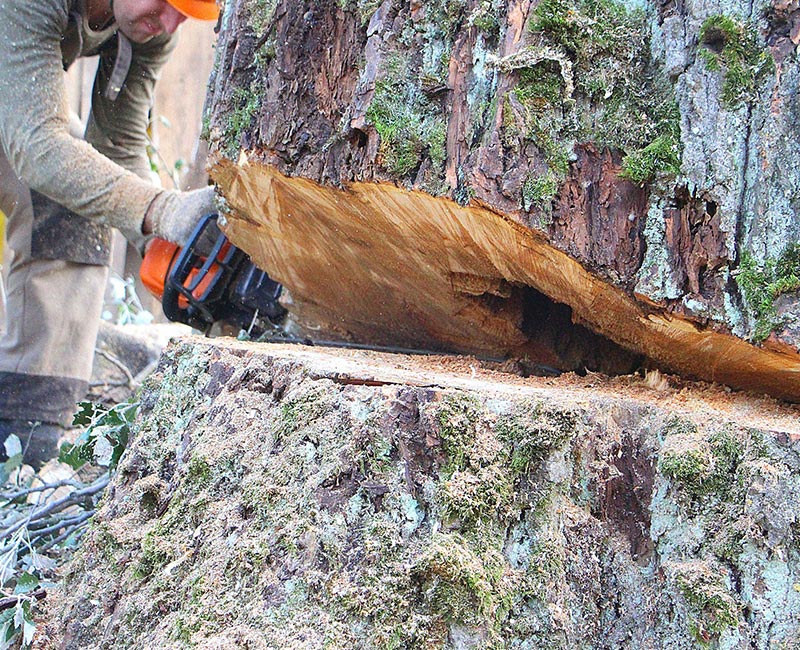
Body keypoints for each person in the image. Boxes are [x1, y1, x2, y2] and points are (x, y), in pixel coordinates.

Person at [0, 0, 220, 467]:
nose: (170, 23)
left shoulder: (149, 25)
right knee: (59, 175)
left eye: (185, 14)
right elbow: (38, 148)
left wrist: (166, 240)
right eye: (167, 2)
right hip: (21, 114)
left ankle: (28, 442)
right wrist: (162, 209)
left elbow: (117, 147)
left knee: (75, 193)